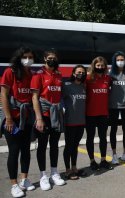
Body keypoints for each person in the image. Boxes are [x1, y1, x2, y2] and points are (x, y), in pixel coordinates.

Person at [1, 47, 35, 197]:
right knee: (14, 151)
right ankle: (14, 184)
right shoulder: (11, 72)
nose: (28, 59)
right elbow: (3, 95)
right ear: (19, 57)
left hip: (26, 117)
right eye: (25, 57)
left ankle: (24, 179)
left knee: (26, 150)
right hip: (13, 118)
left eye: (30, 57)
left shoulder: (30, 73)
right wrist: (8, 118)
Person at [31, 49, 65, 191]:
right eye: (50, 58)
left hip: (56, 115)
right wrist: (39, 118)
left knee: (55, 144)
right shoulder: (38, 75)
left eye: (54, 58)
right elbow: (34, 97)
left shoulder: (58, 75)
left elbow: (60, 95)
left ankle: (54, 173)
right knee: (43, 145)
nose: (52, 60)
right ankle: (43, 175)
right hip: (44, 115)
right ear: (44, 59)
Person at [85, 56, 113, 171]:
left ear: (105, 67)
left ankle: (103, 160)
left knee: (103, 138)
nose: (100, 67)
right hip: (90, 114)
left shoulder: (108, 78)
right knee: (90, 138)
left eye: (102, 66)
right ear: (94, 66)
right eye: (98, 66)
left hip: (103, 113)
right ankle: (92, 161)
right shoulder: (88, 78)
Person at [109, 51, 125, 164]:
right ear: (114, 61)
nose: (120, 62)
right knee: (113, 130)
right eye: (118, 60)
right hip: (113, 105)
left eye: (122, 60)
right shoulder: (111, 74)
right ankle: (114, 155)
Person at [62, 65, 87, 180]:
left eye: (82, 72)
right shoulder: (66, 85)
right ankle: (67, 170)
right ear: (73, 73)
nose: (80, 74)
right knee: (69, 146)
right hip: (69, 121)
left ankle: (74, 167)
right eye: (78, 72)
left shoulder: (83, 86)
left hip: (81, 121)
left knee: (75, 146)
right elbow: (60, 99)